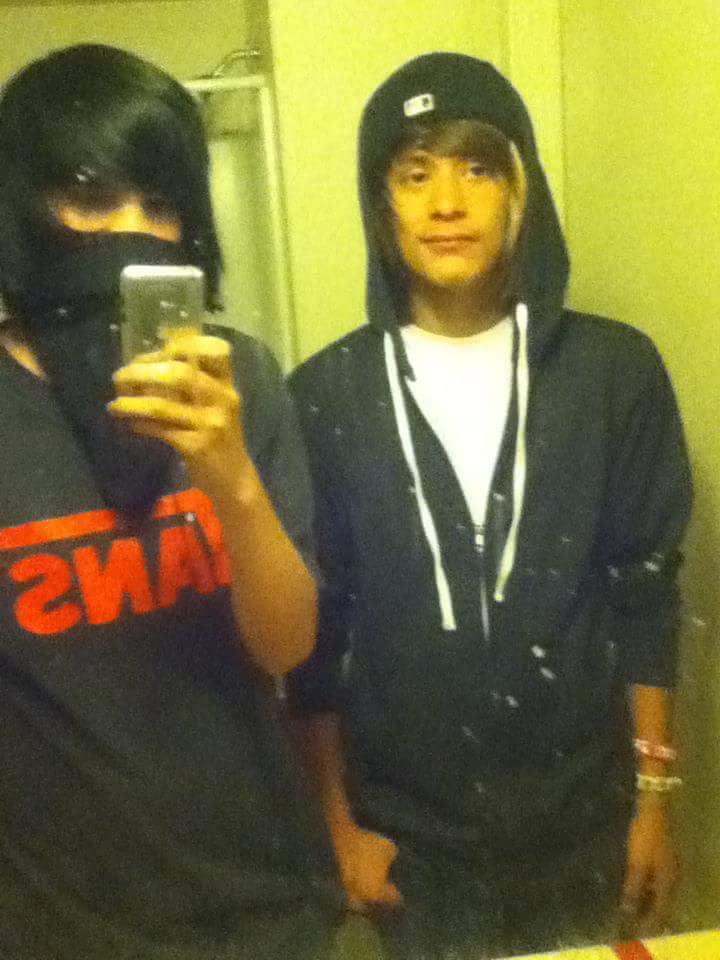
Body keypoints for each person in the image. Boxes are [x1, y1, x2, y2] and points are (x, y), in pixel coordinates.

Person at [288, 52, 692, 959]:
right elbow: (316, 636)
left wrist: (654, 804)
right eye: (414, 174)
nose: (446, 202)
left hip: (587, 825)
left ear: (520, 192)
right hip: (413, 847)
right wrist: (339, 826)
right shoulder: (325, 394)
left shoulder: (612, 374)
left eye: (477, 168)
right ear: (380, 203)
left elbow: (645, 595)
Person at [0, 44, 342, 960]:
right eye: (90, 195)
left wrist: (232, 481)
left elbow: (288, 646)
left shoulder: (242, 382)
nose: (132, 230)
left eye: (159, 202)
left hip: (268, 907)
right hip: (63, 926)